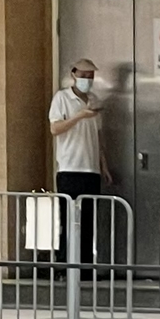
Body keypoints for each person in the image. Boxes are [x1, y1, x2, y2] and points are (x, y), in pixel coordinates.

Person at [49, 60, 114, 263]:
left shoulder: (94, 100)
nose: (87, 80)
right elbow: (55, 129)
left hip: (91, 169)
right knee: (69, 219)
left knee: (88, 220)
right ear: (74, 74)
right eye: (83, 75)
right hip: (70, 168)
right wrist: (79, 116)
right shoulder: (61, 98)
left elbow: (98, 135)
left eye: (90, 76)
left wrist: (103, 165)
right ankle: (65, 264)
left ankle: (85, 265)